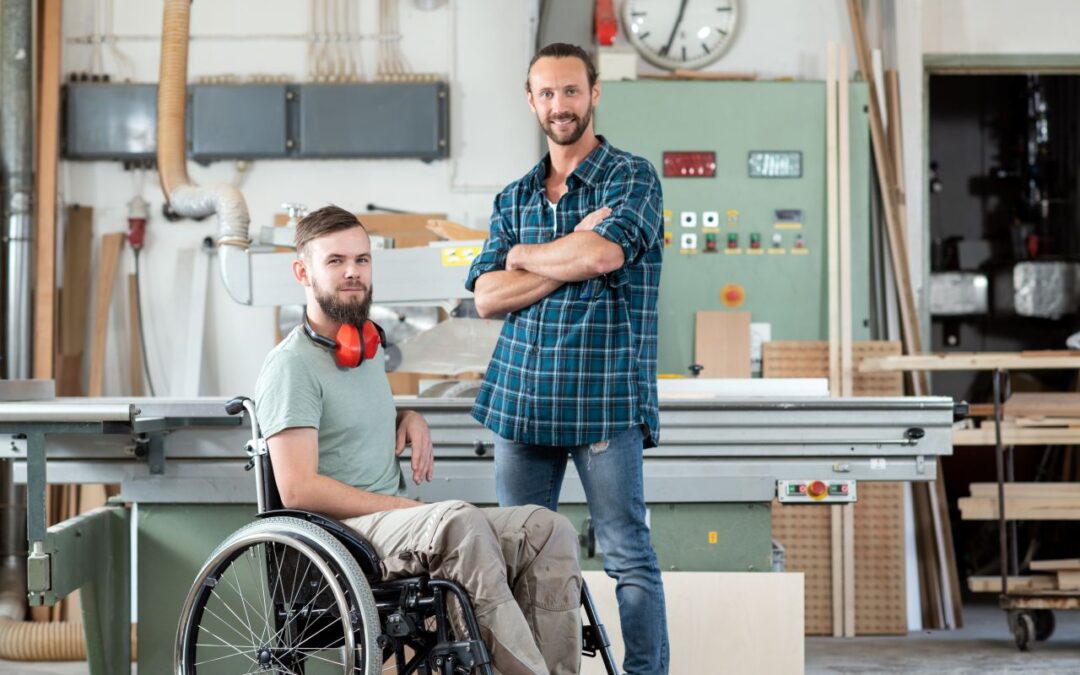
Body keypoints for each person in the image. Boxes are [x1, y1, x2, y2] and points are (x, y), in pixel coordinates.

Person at [254, 204, 583, 675]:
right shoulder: (291, 366)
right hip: (338, 542)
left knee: (546, 528)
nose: (353, 273)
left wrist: (407, 415)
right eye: (336, 261)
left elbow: (346, 426)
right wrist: (406, 510)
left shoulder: (364, 349)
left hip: (394, 531)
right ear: (302, 272)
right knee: (458, 522)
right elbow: (298, 489)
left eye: (362, 260)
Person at [465, 43, 668, 675]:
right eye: (547, 94)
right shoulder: (514, 196)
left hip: (604, 398)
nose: (560, 105)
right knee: (516, 559)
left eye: (571, 91)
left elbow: (605, 257)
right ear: (532, 101)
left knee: (626, 554)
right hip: (522, 402)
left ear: (594, 93)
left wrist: (525, 256)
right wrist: (566, 253)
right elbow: (486, 296)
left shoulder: (631, 177)